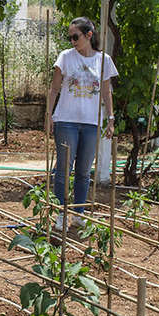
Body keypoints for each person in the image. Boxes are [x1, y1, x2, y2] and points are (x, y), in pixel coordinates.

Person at [46, 17, 118, 231]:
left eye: (75, 36)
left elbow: (106, 92)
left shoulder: (103, 60)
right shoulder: (65, 58)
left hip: (91, 123)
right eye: (69, 37)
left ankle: (78, 213)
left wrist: (111, 118)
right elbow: (54, 89)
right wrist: (48, 114)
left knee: (84, 171)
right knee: (63, 169)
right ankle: (61, 213)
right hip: (66, 121)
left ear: (88, 35)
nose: (72, 41)